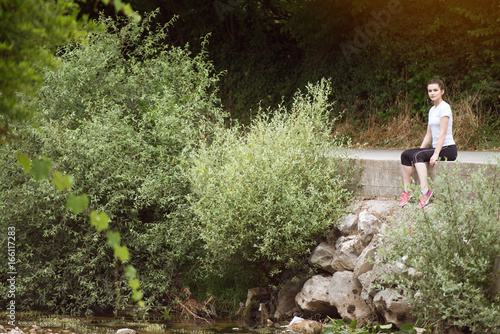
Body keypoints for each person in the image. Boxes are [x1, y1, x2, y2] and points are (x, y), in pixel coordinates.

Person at [399, 78, 457, 208]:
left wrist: (435, 154)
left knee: (417, 156)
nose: (432, 93)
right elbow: (429, 134)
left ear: (442, 91)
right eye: (430, 91)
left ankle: (425, 192)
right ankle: (408, 191)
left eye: (435, 90)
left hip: (447, 149)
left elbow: (442, 133)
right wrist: (418, 151)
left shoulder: (445, 107)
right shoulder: (432, 110)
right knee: (405, 154)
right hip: (437, 147)